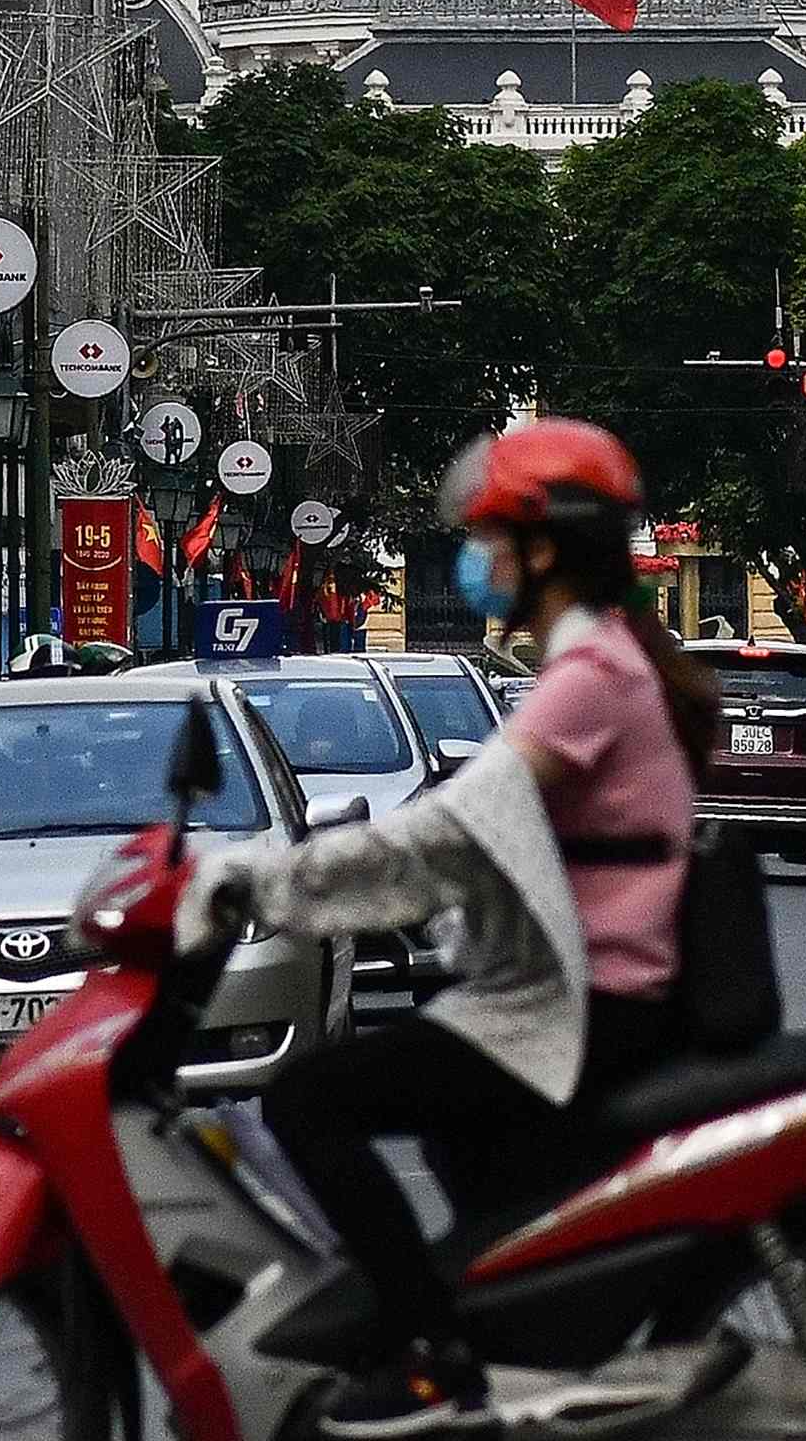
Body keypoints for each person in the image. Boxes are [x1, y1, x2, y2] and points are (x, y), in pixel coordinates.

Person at [203, 419, 712, 1438]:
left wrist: (263, 885)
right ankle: (495, 1339)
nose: (473, 563)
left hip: (586, 998)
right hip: (567, 982)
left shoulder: (591, 677)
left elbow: (449, 829)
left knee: (312, 1101)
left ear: (548, 548)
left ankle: (426, 1352)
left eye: (490, 540)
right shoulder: (600, 659)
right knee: (445, 1117)